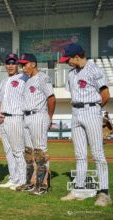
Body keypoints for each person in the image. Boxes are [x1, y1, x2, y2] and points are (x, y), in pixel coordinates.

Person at [59, 43, 111, 206]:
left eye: (68, 59)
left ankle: (104, 193)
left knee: (97, 154)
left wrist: (95, 111)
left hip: (91, 110)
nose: (67, 62)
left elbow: (105, 95)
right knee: (80, 155)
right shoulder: (71, 73)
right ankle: (78, 190)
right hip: (75, 112)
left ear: (77, 56)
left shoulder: (95, 69)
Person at [16, 53, 56, 195]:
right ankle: (31, 182)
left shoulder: (43, 77)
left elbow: (51, 99)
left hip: (38, 115)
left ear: (33, 64)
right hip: (26, 117)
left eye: (25, 64)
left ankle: (42, 185)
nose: (23, 67)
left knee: (40, 152)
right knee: (28, 153)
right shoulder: (28, 80)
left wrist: (49, 118)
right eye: (21, 64)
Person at [0, 54, 27, 190]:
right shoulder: (3, 82)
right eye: (8, 63)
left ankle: (22, 179)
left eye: (13, 63)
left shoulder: (24, 78)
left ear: (18, 65)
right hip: (4, 118)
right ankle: (14, 178)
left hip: (16, 117)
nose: (10, 65)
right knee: (8, 151)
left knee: (18, 150)